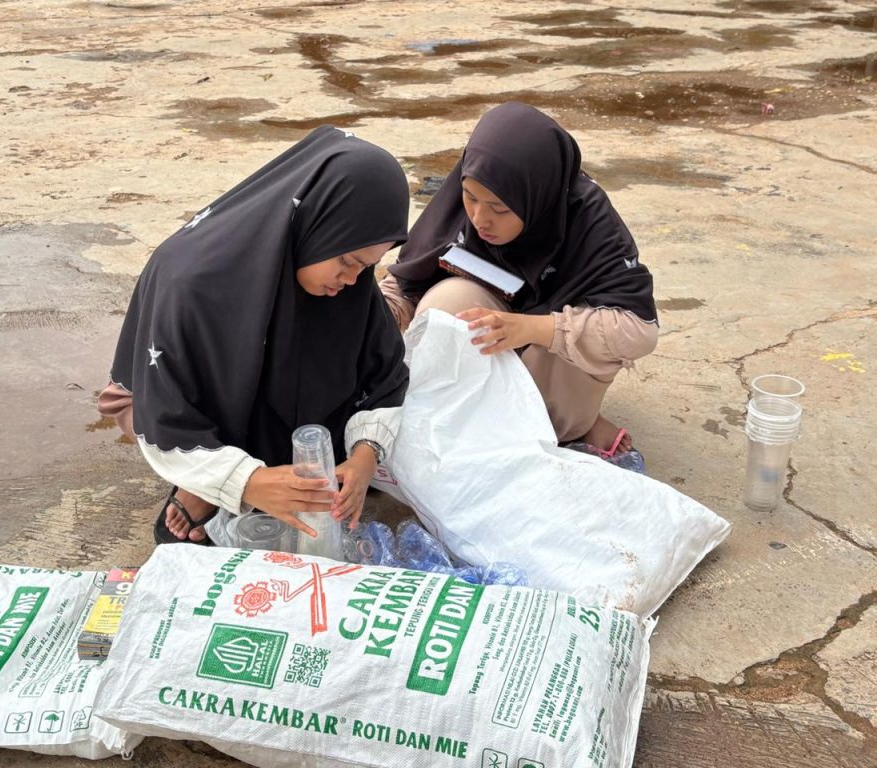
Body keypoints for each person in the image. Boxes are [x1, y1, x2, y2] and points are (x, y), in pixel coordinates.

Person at [98, 126, 410, 544]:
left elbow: (384, 376)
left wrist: (364, 457)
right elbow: (168, 408)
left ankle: (265, 476)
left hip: (285, 418)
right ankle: (209, 485)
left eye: (367, 266)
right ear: (317, 224)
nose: (353, 280)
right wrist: (245, 481)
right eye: (347, 261)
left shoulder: (346, 283)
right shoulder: (191, 282)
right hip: (198, 410)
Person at [381, 102, 657, 455]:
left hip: (550, 369)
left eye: (500, 208)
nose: (480, 219)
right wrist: (381, 317)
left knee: (582, 355)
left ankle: (574, 423)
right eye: (470, 197)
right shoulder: (467, 201)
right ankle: (475, 420)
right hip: (496, 335)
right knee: (441, 304)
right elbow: (408, 280)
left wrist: (531, 328)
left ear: (537, 196)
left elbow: (640, 332)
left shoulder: (589, 222)